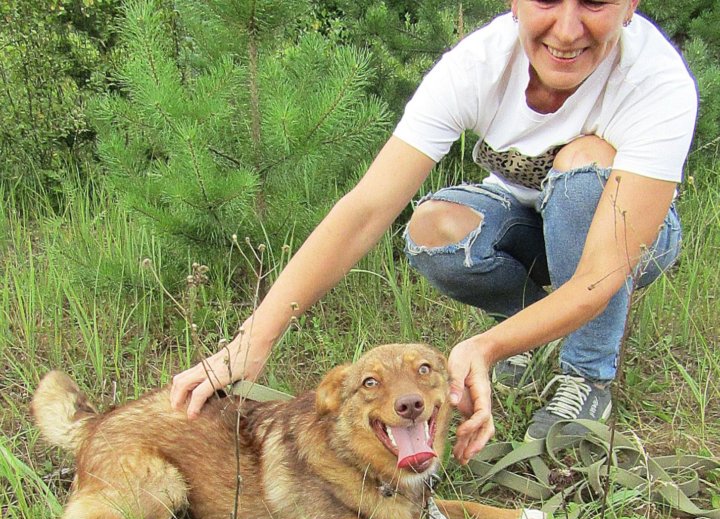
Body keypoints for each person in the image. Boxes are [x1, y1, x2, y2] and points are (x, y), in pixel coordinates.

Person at [170, 0, 697, 464]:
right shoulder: (479, 65)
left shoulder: (656, 82)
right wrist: (250, 342)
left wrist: (484, 347)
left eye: (595, 3)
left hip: (625, 243)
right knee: (435, 229)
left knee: (585, 168)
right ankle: (532, 333)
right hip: (530, 221)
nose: (566, 28)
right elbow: (367, 209)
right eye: (546, 0)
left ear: (631, 7)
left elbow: (599, 276)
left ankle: (587, 374)